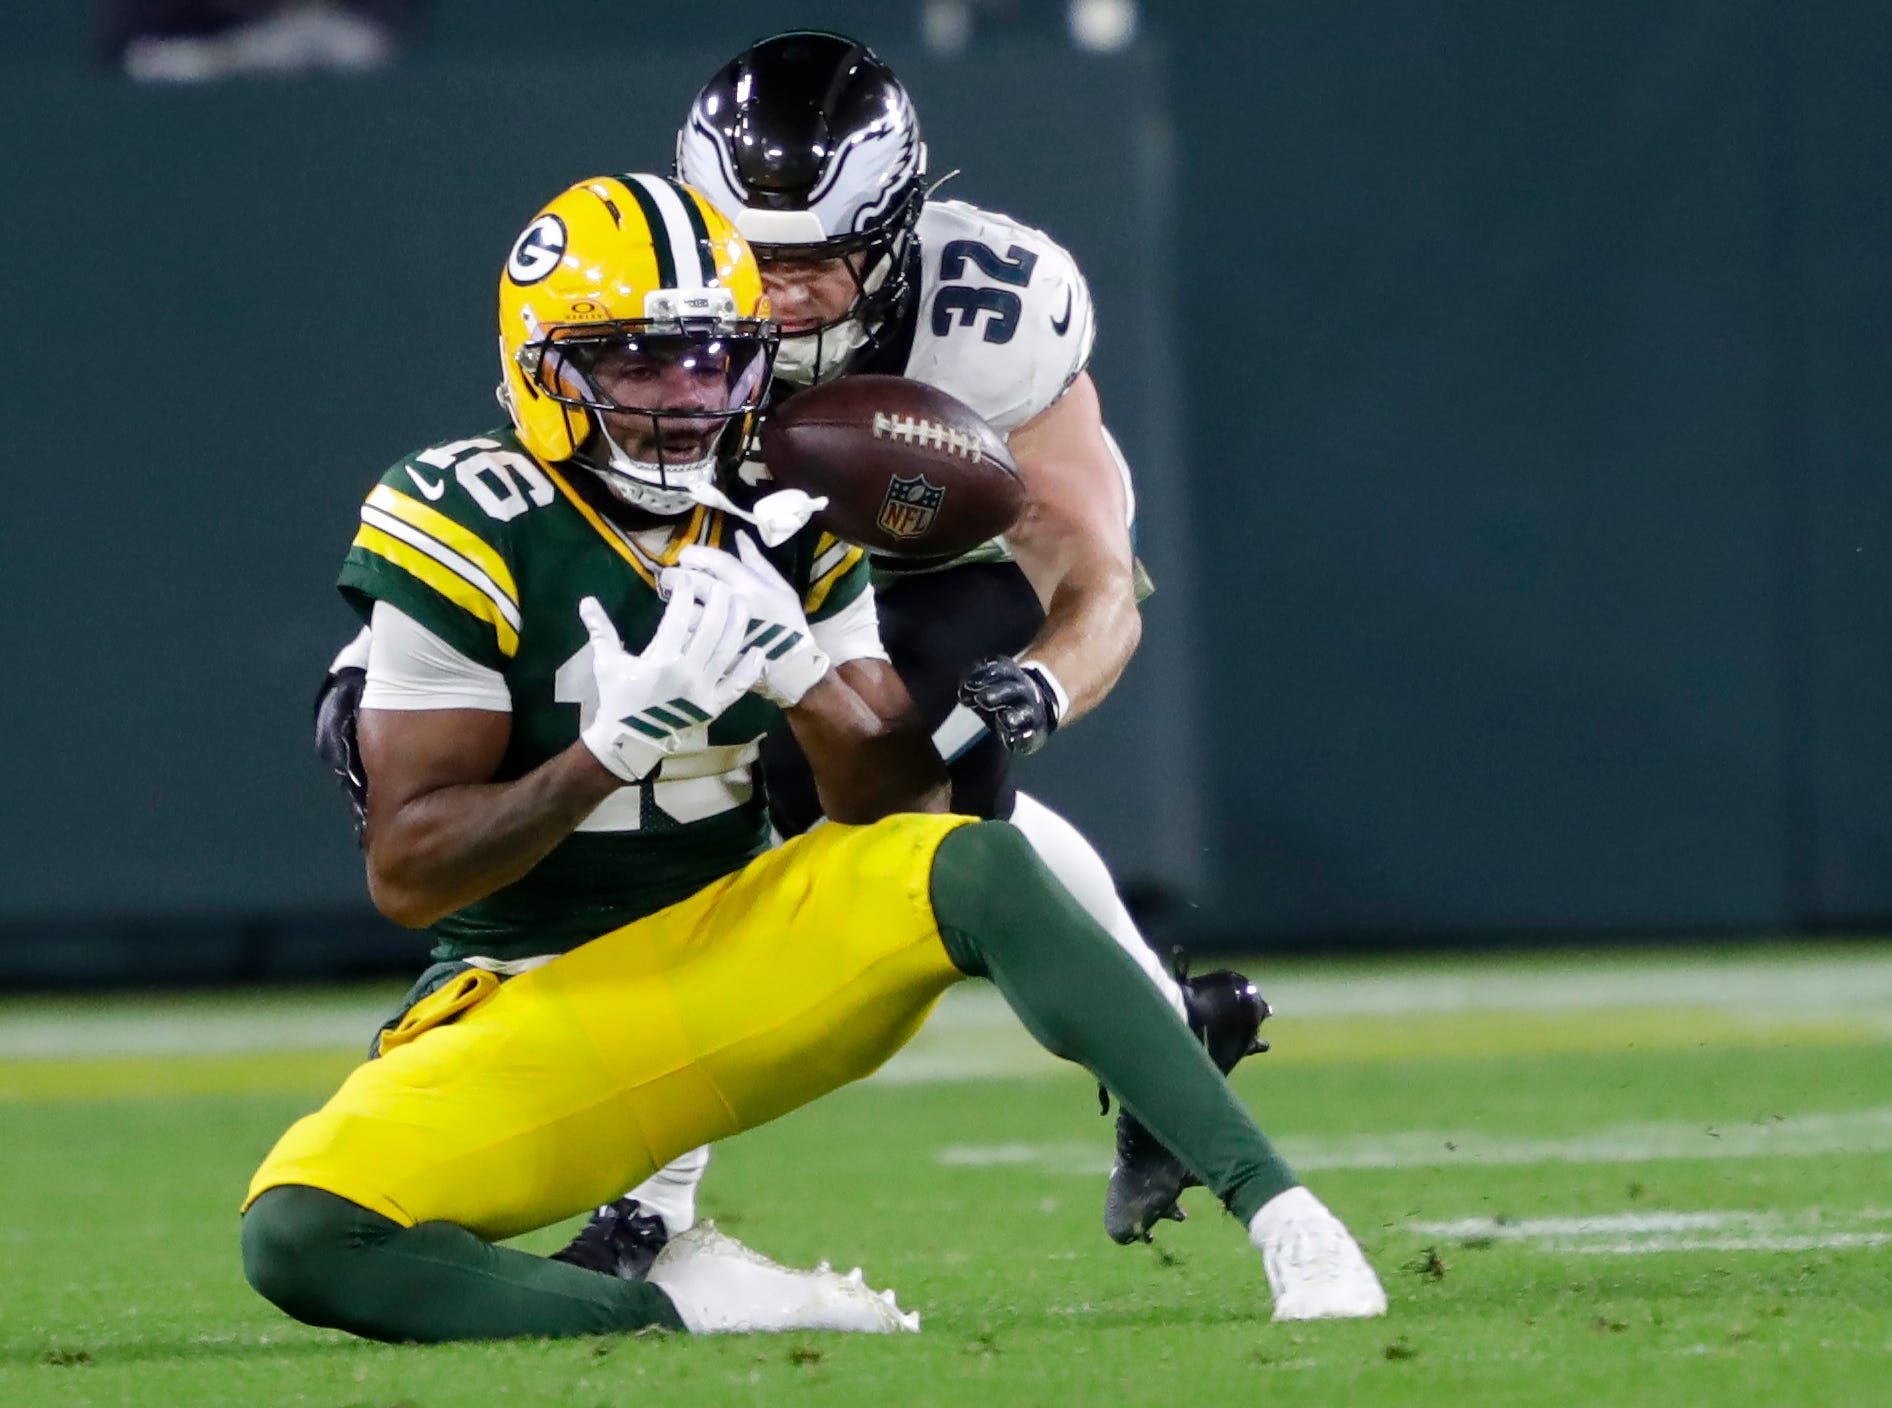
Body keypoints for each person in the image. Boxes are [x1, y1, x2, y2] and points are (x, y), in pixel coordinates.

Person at [243, 174, 1386, 1341]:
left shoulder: (782, 508)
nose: (689, 401)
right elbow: (409, 875)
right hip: (535, 999)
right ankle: (677, 1304)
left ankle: (1287, 1216)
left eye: (716, 362)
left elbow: (893, 808)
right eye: (641, 364)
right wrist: (603, 750)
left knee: (969, 863)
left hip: (739, 953)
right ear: (545, 367)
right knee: (301, 1233)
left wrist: (806, 676)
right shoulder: (457, 515)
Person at [314, 30, 1264, 1252]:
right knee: (667, 762)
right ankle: (1163, 1025)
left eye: (810, 260)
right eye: (743, 252)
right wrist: (391, 662)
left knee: (879, 783)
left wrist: (1040, 683)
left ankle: (647, 1210)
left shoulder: (988, 310)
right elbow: (565, 477)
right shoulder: (660, 282)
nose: (762, 291)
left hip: (936, 570)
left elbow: (1087, 570)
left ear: (895, 230)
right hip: (723, 554)